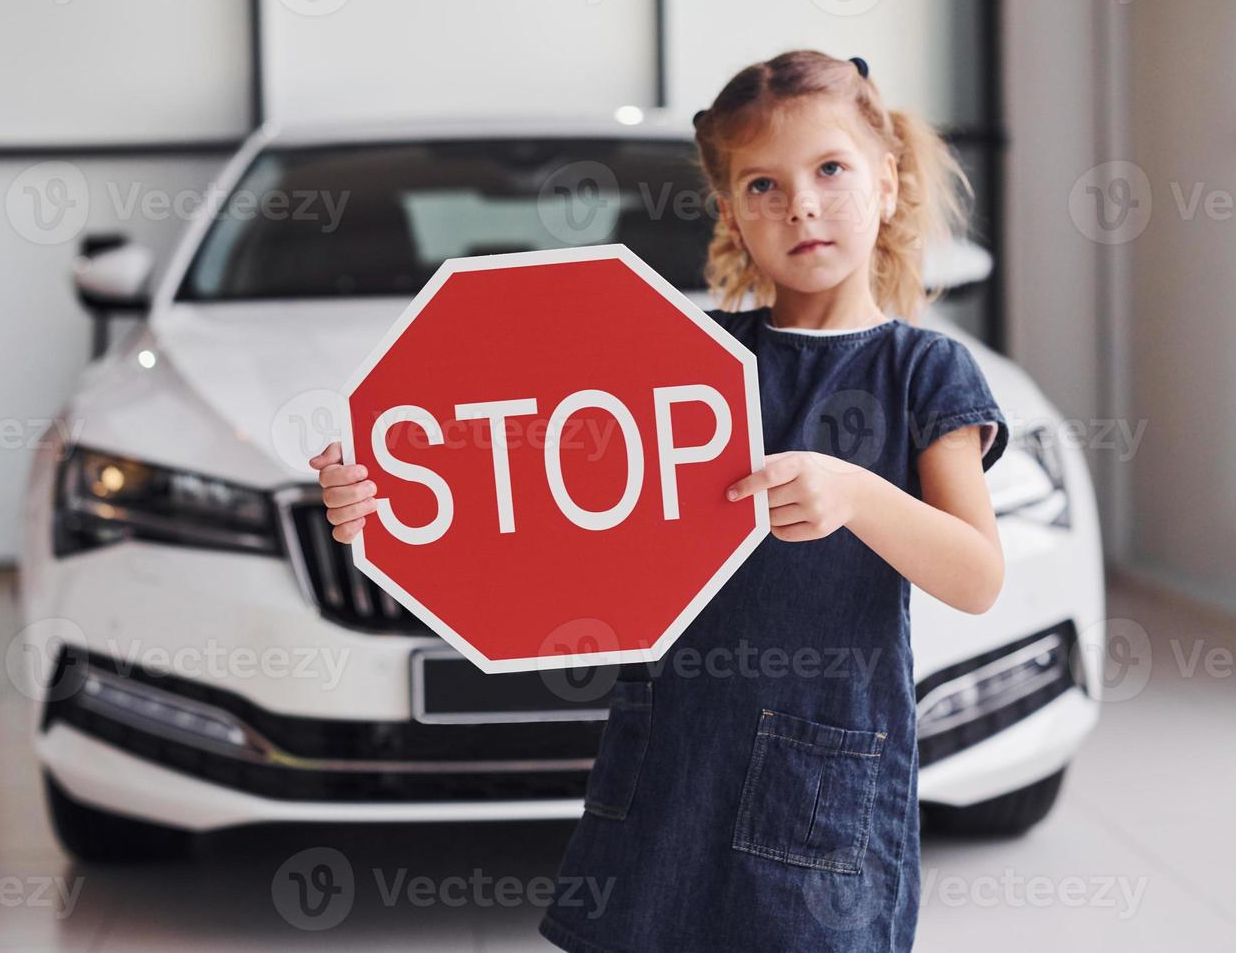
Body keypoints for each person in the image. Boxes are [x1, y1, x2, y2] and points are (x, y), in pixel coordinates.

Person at [308, 49, 1008, 953]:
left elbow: (979, 575)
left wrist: (858, 494)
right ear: (729, 213)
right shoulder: (685, 355)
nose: (799, 203)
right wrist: (382, 502)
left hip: (822, 770)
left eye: (829, 169)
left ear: (887, 179)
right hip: (668, 758)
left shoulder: (925, 369)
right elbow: (510, 480)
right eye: (763, 184)